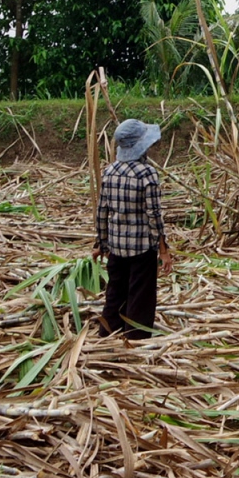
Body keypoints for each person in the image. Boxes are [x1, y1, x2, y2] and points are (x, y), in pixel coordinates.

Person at [94, 118, 174, 338]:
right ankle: (135, 339)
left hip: (116, 247)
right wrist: (164, 250)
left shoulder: (109, 172)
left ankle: (107, 334)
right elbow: (154, 216)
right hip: (141, 249)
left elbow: (102, 211)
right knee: (140, 296)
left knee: (115, 293)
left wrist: (101, 244)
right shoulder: (146, 174)